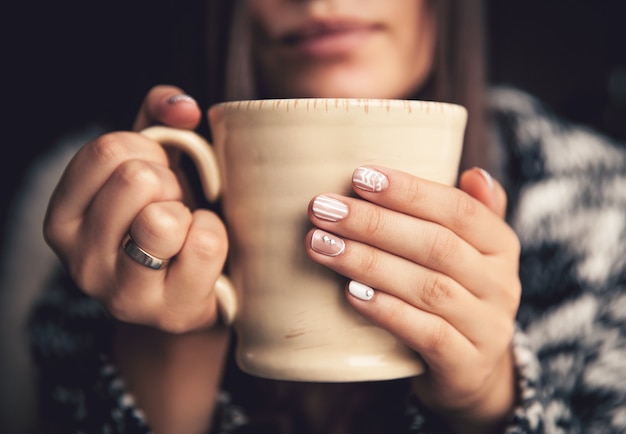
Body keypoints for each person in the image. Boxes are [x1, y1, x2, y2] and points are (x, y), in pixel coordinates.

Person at [24, 0, 626, 433]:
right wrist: (165, 339)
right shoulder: (124, 207)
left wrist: (490, 401)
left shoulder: (601, 206)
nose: (319, 2)